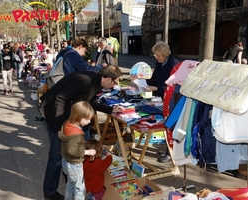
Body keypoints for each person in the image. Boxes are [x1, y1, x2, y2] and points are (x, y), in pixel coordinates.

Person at [40, 65, 125, 200]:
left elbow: (88, 102)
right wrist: (60, 126)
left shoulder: (95, 81)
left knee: (72, 150)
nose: (115, 86)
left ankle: (72, 177)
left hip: (69, 118)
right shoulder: (86, 80)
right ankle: (50, 191)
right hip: (56, 116)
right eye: (115, 82)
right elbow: (60, 99)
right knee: (57, 155)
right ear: (108, 78)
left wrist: (110, 109)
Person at [145, 41, 179, 163]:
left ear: (165, 54)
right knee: (165, 124)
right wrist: (144, 82)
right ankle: (167, 148)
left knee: (170, 124)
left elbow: (174, 87)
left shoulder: (174, 65)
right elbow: (154, 79)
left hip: (171, 99)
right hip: (161, 97)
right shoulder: (160, 63)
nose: (156, 57)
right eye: (155, 55)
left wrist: (157, 88)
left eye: (158, 55)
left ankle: (171, 152)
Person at [58, 101, 96, 200]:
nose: (89, 122)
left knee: (70, 183)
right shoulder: (76, 134)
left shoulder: (68, 123)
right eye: (87, 119)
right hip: (74, 164)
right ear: (78, 116)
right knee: (80, 189)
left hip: (66, 161)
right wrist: (86, 152)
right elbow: (72, 150)